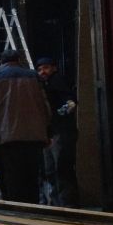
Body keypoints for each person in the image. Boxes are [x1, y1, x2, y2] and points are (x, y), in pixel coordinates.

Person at [0, 49, 51, 204]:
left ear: (2, 62)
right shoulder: (35, 77)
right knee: (32, 178)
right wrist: (48, 133)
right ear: (19, 60)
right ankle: (32, 208)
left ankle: (16, 210)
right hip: (34, 136)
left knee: (11, 179)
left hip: (7, 137)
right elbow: (46, 106)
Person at [36, 56, 79, 208]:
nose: (42, 72)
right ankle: (62, 203)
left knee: (59, 169)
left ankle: (65, 204)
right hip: (56, 131)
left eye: (46, 68)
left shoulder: (56, 82)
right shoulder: (51, 83)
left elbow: (71, 104)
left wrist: (56, 116)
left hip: (59, 131)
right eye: (40, 69)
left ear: (54, 68)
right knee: (55, 169)